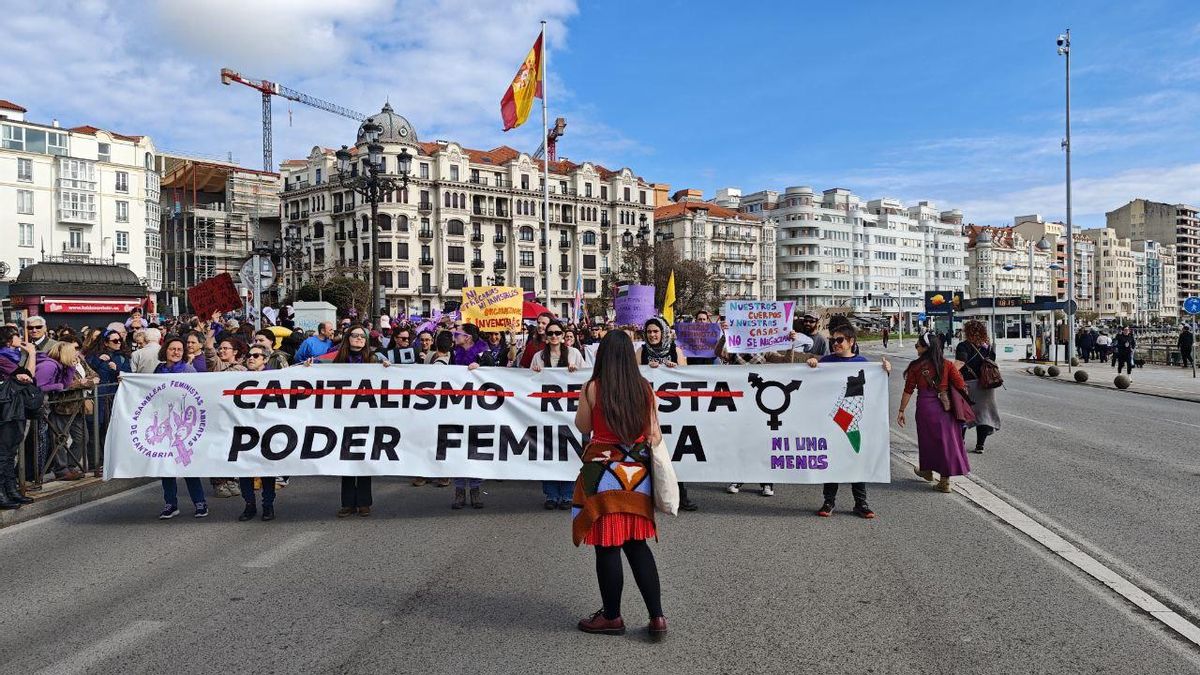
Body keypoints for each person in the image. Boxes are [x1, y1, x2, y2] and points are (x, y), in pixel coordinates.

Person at [572, 330, 667, 640]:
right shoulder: (645, 389)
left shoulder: (592, 388)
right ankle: (657, 618)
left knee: (607, 547)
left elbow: (583, 426)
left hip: (601, 474)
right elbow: (654, 435)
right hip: (637, 475)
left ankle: (611, 617)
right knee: (637, 545)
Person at [805, 324, 891, 518]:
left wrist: (885, 371)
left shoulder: (863, 363)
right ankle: (829, 502)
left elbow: (875, 387)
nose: (835, 344)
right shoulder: (826, 361)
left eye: (839, 340)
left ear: (851, 342)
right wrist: (811, 363)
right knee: (833, 458)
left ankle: (861, 503)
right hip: (834, 417)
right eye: (832, 340)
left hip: (853, 416)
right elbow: (812, 381)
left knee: (856, 456)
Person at [316, 325, 389, 517]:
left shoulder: (375, 359)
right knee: (346, 460)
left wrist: (388, 369)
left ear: (366, 340)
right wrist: (309, 366)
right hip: (342, 417)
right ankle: (348, 503)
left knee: (364, 459)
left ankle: (364, 502)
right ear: (348, 338)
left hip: (368, 417)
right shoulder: (335, 359)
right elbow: (317, 372)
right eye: (354, 335)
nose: (358, 339)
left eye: (361, 336)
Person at [897, 332, 971, 493]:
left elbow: (908, 390)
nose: (916, 347)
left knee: (927, 440)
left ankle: (927, 470)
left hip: (925, 407)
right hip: (946, 408)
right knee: (946, 443)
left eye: (917, 345)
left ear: (925, 348)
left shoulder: (915, 367)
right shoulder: (947, 365)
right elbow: (961, 385)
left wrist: (901, 410)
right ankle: (944, 481)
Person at [152, 336, 208, 518]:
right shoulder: (158, 369)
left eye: (179, 350)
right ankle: (170, 504)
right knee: (166, 467)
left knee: (187, 464)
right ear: (165, 350)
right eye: (172, 349)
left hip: (184, 424)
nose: (176, 352)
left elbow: (198, 393)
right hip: (165, 423)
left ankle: (200, 503)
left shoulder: (188, 369)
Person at [529, 321, 581, 509]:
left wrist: (576, 371)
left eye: (557, 333)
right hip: (546, 413)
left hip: (568, 412)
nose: (554, 336)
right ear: (546, 336)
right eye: (550, 333)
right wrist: (534, 373)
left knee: (568, 452)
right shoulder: (538, 356)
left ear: (562, 335)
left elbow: (584, 378)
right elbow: (529, 382)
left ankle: (568, 494)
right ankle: (551, 494)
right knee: (548, 452)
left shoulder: (574, 354)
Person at [0, 326, 37, 509]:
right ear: (8, 340)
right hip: (6, 409)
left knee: (9, 452)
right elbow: (29, 376)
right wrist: (32, 353)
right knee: (4, 452)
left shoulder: (12, 357)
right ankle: (3, 493)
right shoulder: (3, 358)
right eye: (17, 336)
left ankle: (11, 490)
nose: (21, 339)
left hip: (14, 408)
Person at [955, 320, 1001, 455]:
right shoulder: (989, 347)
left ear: (967, 332)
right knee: (984, 415)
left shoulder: (964, 346)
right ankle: (980, 445)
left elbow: (960, 362)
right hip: (986, 385)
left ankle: (960, 441)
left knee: (963, 413)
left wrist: (948, 373)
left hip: (967, 384)